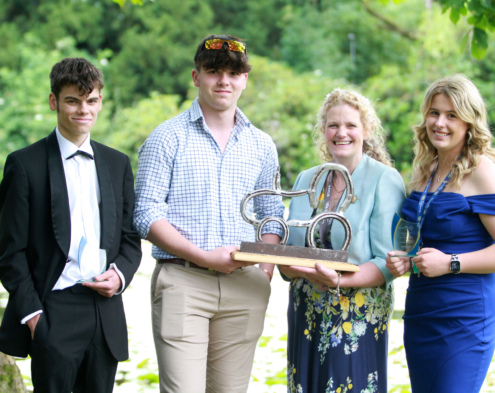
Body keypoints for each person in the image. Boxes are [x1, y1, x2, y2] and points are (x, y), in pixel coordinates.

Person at [133, 34, 285, 393]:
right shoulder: (165, 138)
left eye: (234, 73)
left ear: (245, 79)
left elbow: (272, 214)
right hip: (184, 282)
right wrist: (203, 256)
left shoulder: (262, 145)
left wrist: (265, 269)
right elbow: (145, 214)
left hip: (246, 285)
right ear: (196, 76)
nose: (224, 81)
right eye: (214, 70)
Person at [0, 58, 142, 392]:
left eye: (91, 100)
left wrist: (119, 275)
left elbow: (130, 239)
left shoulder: (117, 163)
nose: (83, 110)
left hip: (105, 311)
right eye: (72, 100)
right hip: (53, 310)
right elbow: (9, 251)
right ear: (54, 102)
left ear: (100, 102)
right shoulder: (24, 164)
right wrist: (34, 317)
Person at [279, 88, 405, 392]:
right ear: (324, 130)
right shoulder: (306, 179)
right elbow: (287, 249)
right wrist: (289, 267)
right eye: (333, 125)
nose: (341, 133)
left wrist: (337, 281)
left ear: (366, 129)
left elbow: (388, 262)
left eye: (350, 125)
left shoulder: (384, 179)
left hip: (355, 314)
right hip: (306, 310)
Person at [386, 74, 495, 392]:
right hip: (421, 313)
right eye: (434, 112)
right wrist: (402, 258)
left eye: (451, 115)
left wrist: (452, 262)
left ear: (469, 122)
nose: (440, 123)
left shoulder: (482, 170)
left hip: (465, 317)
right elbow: (410, 231)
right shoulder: (425, 168)